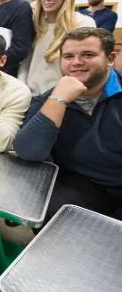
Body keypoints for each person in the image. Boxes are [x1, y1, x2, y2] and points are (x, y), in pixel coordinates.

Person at [14, 27, 121, 221]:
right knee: (38, 203)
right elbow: (27, 152)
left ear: (110, 59)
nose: (76, 63)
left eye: (88, 55)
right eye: (68, 56)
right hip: (77, 183)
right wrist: (59, 99)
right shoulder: (49, 99)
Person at [18, 0, 96, 96]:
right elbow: (26, 59)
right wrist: (22, 84)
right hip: (32, 94)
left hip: (63, 95)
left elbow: (84, 63)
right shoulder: (36, 23)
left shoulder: (83, 23)